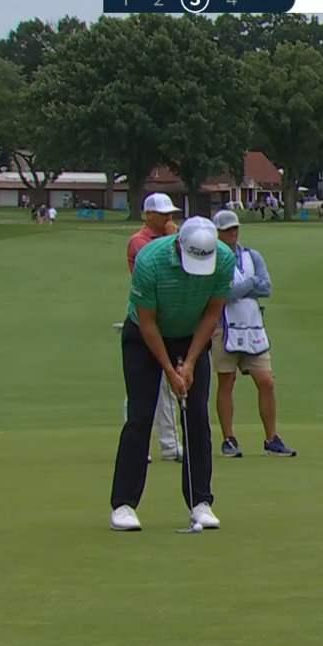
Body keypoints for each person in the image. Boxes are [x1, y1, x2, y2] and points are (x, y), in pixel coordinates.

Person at [109, 216, 234, 532]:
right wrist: (170, 370)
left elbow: (212, 313)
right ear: (179, 246)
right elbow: (147, 323)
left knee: (197, 417)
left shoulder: (223, 259)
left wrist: (190, 362)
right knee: (140, 416)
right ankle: (123, 505)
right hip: (145, 337)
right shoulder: (150, 260)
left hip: (192, 335)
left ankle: (200, 502)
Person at [209, 210, 297, 459]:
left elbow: (266, 287)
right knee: (227, 382)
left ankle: (271, 438)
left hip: (253, 326)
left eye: (235, 228)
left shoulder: (252, 256)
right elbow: (223, 293)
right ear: (217, 233)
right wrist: (250, 284)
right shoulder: (212, 258)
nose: (233, 234)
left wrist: (241, 287)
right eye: (227, 230)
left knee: (266, 381)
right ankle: (228, 438)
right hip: (223, 327)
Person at [126, 193, 183, 462]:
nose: (169, 218)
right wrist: (173, 238)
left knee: (166, 386)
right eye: (163, 214)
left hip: (167, 322)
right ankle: (139, 445)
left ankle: (170, 444)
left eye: (170, 213)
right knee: (141, 388)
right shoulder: (139, 242)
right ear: (148, 215)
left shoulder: (171, 239)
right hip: (146, 320)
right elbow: (160, 267)